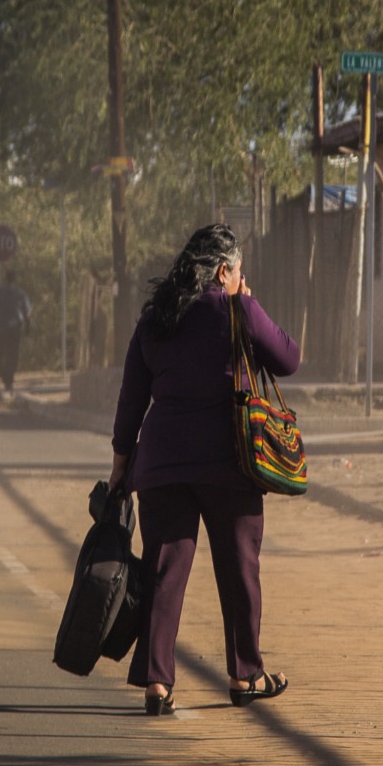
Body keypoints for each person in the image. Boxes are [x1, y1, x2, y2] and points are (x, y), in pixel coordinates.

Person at [108, 224, 299, 717]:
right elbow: (288, 358)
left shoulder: (155, 318)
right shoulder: (236, 309)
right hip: (230, 463)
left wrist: (119, 467)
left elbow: (131, 400)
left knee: (164, 571)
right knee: (239, 569)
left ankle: (156, 682)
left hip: (162, 463)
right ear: (223, 271)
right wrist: (247, 303)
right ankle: (245, 672)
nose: (241, 279)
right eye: (238, 271)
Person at [0, 271, 33, 392]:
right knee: (12, 354)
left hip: (0, 326)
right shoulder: (20, 293)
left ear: (5, 279)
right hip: (14, 328)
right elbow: (27, 313)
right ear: (15, 279)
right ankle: (8, 379)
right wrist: (28, 327)